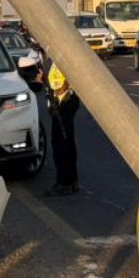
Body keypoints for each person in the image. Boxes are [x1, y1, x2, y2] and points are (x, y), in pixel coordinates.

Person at [45, 62, 79, 196]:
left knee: (61, 144)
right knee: (67, 143)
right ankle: (71, 181)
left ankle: (64, 183)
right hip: (62, 101)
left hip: (64, 101)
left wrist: (55, 95)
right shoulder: (56, 57)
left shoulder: (62, 56)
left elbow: (65, 82)